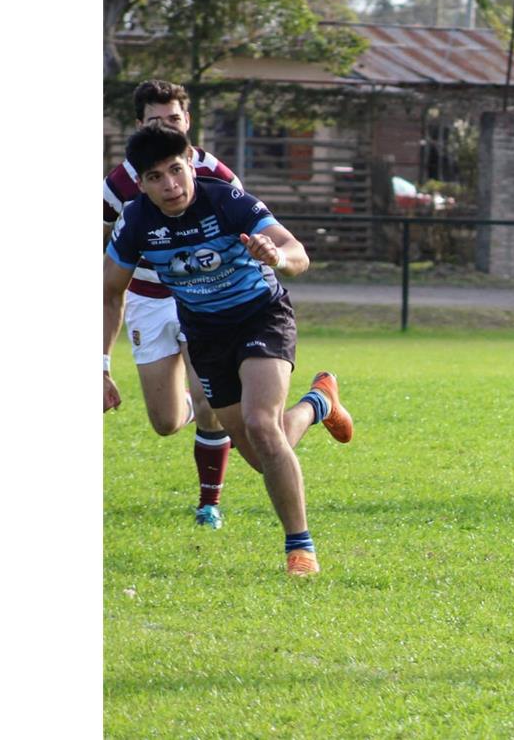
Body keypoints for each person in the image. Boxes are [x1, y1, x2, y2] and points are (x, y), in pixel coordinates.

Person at [104, 123, 354, 576]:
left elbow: (297, 252)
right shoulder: (138, 220)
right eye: (156, 177)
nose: (171, 185)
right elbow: (107, 291)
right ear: (140, 184)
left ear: (191, 165)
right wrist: (100, 364)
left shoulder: (226, 201)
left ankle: (300, 549)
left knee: (262, 425)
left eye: (176, 170)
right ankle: (318, 404)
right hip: (205, 336)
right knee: (262, 455)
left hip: (261, 317)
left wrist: (276, 257)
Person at [102, 79, 244, 529]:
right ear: (139, 125)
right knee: (165, 422)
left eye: (174, 120)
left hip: (204, 295)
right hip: (147, 299)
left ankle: (209, 504)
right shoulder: (120, 182)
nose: (165, 128)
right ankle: (192, 396)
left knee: (210, 401)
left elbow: (245, 233)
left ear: (189, 122)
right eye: (154, 121)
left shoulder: (215, 175)